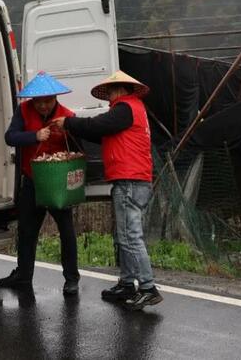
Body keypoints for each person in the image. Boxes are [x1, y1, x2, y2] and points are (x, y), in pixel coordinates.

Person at [53, 71, 161, 310]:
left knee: (130, 236)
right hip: (135, 179)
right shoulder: (133, 109)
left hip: (130, 180)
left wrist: (69, 122)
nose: (109, 97)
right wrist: (75, 128)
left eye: (111, 91)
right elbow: (101, 133)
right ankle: (126, 283)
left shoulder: (124, 108)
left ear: (121, 89)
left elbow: (97, 125)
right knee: (124, 234)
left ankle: (147, 287)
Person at [0, 72, 80, 296]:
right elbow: (10, 137)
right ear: (32, 100)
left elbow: (78, 147)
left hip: (57, 184)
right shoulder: (23, 110)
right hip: (32, 181)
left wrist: (68, 131)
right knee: (26, 231)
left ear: (55, 98)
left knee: (66, 231)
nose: (43, 106)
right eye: (39, 102)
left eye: (48, 101)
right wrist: (34, 136)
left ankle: (71, 279)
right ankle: (23, 276)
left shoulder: (67, 116)